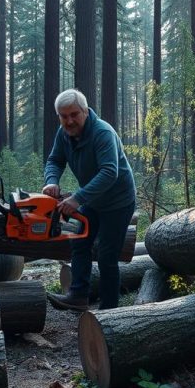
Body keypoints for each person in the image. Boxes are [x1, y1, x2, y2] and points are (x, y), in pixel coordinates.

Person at [43, 89, 137, 311]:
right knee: (79, 242)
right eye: (64, 116)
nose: (69, 121)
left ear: (85, 111)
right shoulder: (63, 133)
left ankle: (109, 311)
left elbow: (109, 172)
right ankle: (78, 296)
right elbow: (55, 160)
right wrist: (52, 180)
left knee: (106, 255)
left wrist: (77, 198)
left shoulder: (102, 132)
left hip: (118, 202)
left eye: (74, 114)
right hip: (92, 199)